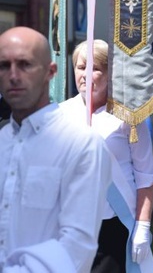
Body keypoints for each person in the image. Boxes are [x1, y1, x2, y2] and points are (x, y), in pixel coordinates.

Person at [0, 27, 111, 272]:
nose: (14, 75)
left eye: (25, 64)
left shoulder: (82, 144)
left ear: (50, 72)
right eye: (4, 66)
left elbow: (75, 247)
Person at [59, 40, 153, 271]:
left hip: (113, 226)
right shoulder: (60, 114)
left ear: (110, 73)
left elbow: (146, 176)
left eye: (96, 68)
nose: (86, 75)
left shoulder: (130, 117)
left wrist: (143, 227)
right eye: (81, 67)